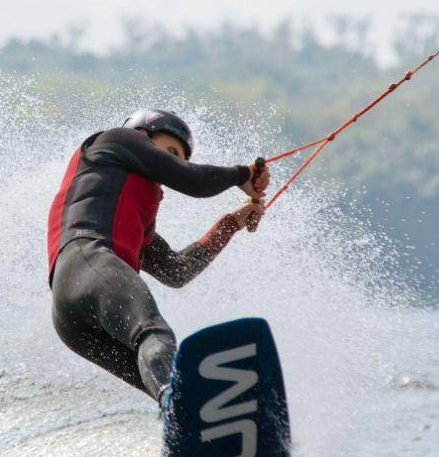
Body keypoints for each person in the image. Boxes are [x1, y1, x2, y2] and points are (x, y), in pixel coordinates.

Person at [47, 108, 271, 406]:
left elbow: (176, 271)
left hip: (71, 317)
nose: (173, 163)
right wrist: (241, 175)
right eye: (170, 151)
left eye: (178, 158)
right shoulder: (116, 140)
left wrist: (232, 223)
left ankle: (187, 423)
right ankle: (177, 404)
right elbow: (194, 181)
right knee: (154, 333)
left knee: (172, 382)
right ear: (142, 135)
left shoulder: (132, 216)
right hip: (90, 261)